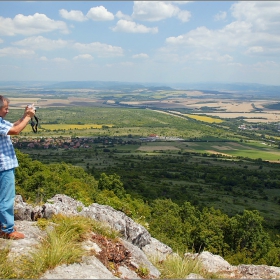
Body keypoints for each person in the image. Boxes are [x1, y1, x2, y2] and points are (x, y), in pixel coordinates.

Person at [0, 95, 35, 239]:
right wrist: (28, 117)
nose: (7, 111)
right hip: (4, 166)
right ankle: (7, 230)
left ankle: (4, 225)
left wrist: (23, 116)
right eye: (5, 108)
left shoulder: (1, 123)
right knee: (6, 199)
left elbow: (12, 126)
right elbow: (15, 131)